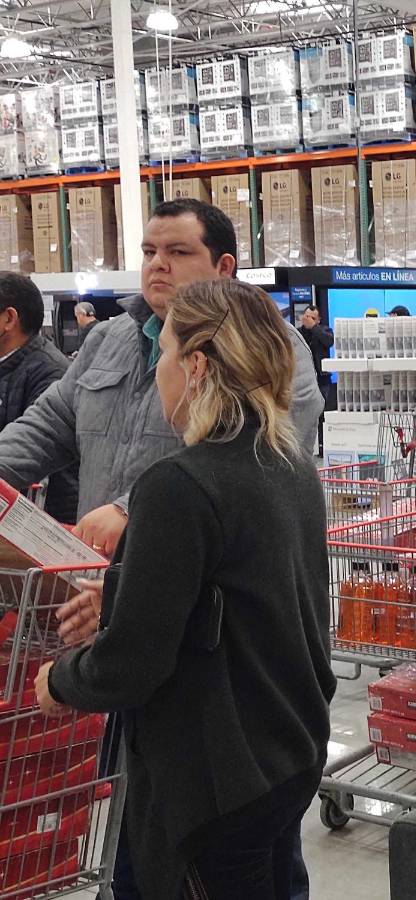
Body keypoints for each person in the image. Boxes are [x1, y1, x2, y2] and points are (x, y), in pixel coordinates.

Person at [0, 198, 323, 900]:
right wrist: (124, 593)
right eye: (149, 251)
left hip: (210, 714)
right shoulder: (112, 341)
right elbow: (48, 424)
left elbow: (136, 659)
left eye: (176, 252)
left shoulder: (202, 467)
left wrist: (63, 679)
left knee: (184, 858)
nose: (156, 266)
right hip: (233, 704)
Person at [0, 273, 78, 522]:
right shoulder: (9, 365)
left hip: (41, 522)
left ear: (9, 319)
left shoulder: (51, 372)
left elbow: (37, 450)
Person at [298, 304, 334, 409]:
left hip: (322, 380)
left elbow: (329, 342)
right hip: (304, 380)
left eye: (313, 318)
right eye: (307, 317)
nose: (309, 320)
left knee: (322, 409)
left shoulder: (325, 330)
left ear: (318, 320)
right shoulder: (297, 333)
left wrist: (314, 327)